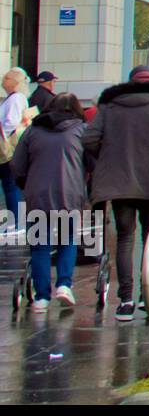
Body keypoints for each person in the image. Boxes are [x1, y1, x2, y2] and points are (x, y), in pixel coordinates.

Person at [83, 65, 149, 322]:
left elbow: (89, 139)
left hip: (119, 182)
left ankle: (126, 300)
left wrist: (109, 158)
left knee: (125, 238)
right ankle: (147, 295)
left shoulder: (110, 107)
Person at [11, 93, 89, 311]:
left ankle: (41, 297)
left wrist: (27, 184)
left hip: (37, 196)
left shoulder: (32, 131)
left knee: (40, 246)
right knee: (67, 241)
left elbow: (17, 165)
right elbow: (92, 162)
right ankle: (64, 285)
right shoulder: (81, 130)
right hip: (69, 195)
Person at [1, 67, 33, 233]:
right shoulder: (17, 98)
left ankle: (14, 224)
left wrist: (2, 138)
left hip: (7, 149)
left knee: (10, 185)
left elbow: (10, 122)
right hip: (12, 148)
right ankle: (15, 223)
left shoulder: (15, 99)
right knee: (10, 185)